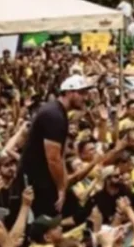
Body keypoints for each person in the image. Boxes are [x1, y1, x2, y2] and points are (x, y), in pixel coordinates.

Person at [15, 75, 90, 218]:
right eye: (81, 93)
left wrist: (64, 182)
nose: (85, 97)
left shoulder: (59, 113)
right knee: (48, 221)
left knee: (77, 212)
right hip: (36, 180)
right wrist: (61, 188)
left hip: (45, 178)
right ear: (68, 92)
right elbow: (53, 158)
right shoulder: (54, 115)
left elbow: (60, 154)